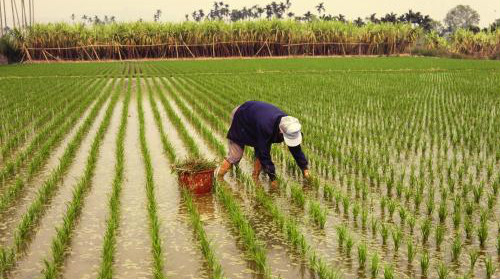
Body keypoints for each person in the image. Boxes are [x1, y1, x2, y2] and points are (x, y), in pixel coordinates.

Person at [216, 101, 309, 186]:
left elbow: (295, 148)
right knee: (235, 155)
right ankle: (219, 178)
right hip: (241, 115)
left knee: (260, 151)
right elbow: (264, 153)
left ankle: (255, 177)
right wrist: (273, 178)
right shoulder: (266, 127)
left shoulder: (289, 124)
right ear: (281, 132)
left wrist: (305, 168)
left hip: (256, 117)